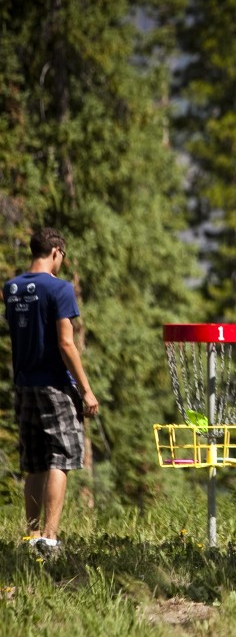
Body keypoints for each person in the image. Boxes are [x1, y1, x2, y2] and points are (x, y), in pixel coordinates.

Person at [2, 228, 100, 553]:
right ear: (56, 252)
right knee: (60, 457)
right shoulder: (60, 289)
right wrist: (86, 390)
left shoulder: (12, 288)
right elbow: (65, 343)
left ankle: (31, 536)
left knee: (34, 462)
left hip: (24, 385)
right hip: (55, 385)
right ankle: (50, 537)